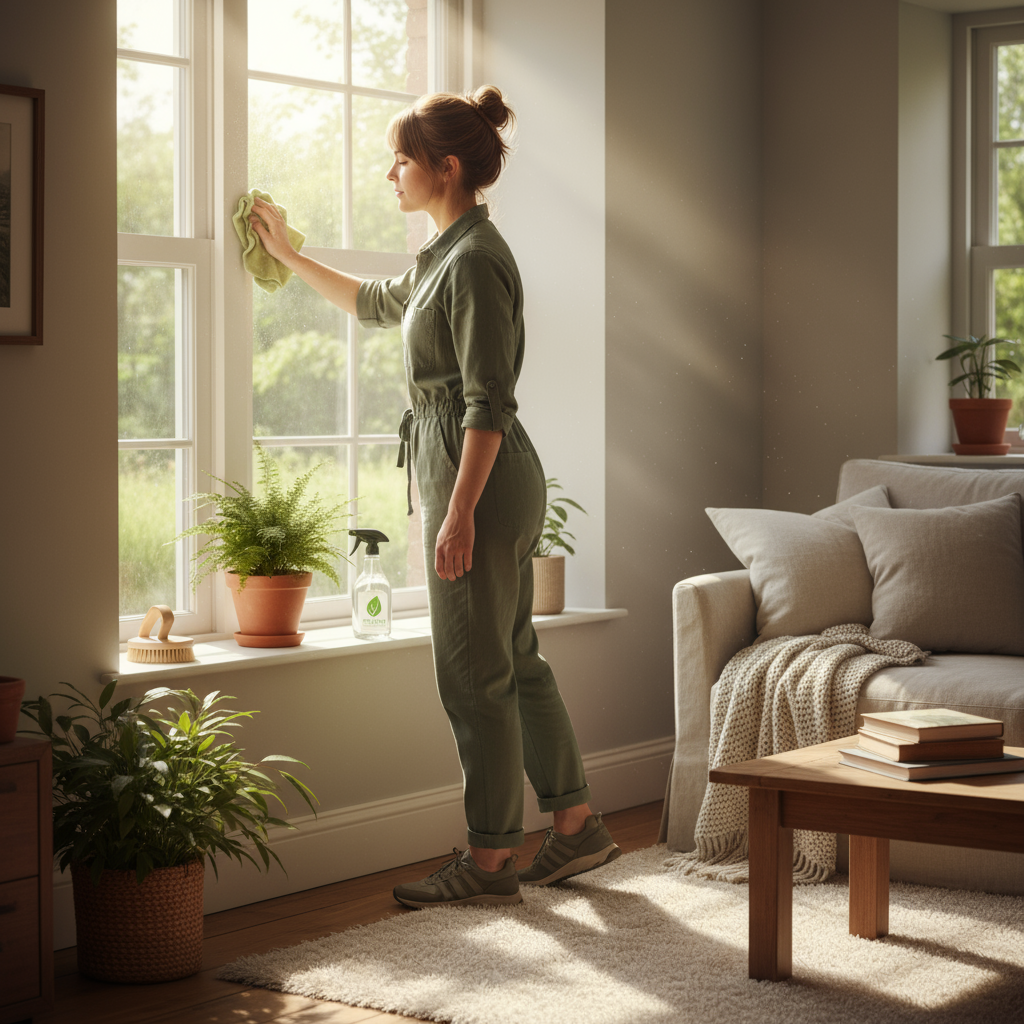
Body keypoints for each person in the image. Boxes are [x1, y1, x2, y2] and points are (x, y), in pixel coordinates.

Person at [249, 85, 619, 908]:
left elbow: (488, 401)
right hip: (476, 472)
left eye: (401, 161)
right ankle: (575, 826)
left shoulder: (477, 261)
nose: (391, 175)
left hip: (478, 476)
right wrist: (286, 254)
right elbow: (372, 303)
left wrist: (457, 512)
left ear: (445, 168)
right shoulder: (444, 254)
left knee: (472, 673)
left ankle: (490, 861)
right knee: (512, 658)